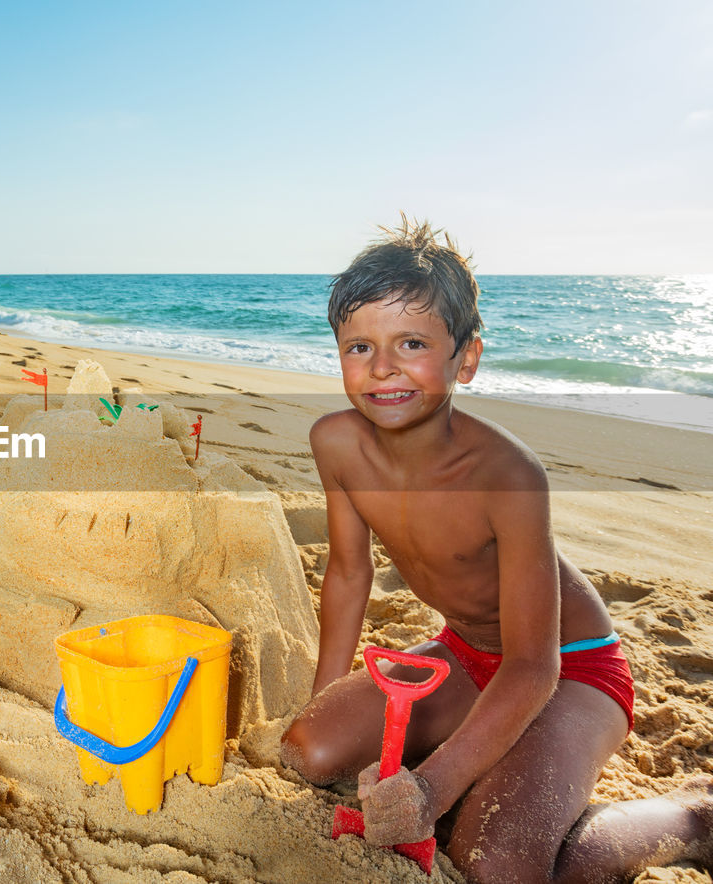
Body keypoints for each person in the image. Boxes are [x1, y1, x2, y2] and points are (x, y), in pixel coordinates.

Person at [280, 217, 712, 883]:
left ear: (467, 359)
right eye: (358, 347)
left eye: (413, 342)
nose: (383, 367)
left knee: (498, 863)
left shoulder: (506, 474)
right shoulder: (335, 443)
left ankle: (688, 818)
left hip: (568, 671)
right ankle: (488, 763)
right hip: (467, 653)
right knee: (308, 750)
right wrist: (322, 698)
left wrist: (432, 789)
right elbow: (346, 575)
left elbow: (534, 668)